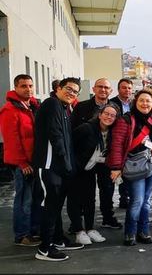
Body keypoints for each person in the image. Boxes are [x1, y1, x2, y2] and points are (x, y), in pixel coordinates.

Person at [108, 89, 152, 246]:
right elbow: (116, 144)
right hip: (134, 166)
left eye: (148, 101)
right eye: (142, 100)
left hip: (151, 166)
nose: (145, 103)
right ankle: (130, 232)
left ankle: (143, 231)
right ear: (136, 102)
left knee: (146, 201)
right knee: (137, 200)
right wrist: (116, 167)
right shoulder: (126, 120)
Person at [33, 77, 84, 261]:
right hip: (48, 166)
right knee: (49, 206)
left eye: (75, 91)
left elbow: (67, 138)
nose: (71, 93)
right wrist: (66, 162)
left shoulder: (64, 108)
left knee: (55, 207)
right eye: (68, 89)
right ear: (58, 88)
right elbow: (55, 136)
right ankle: (44, 249)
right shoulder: (51, 104)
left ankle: (58, 239)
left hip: (60, 168)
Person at [69, 103, 120, 245]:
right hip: (77, 168)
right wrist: (73, 165)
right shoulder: (86, 128)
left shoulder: (112, 132)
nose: (109, 117)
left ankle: (90, 229)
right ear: (99, 115)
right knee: (75, 199)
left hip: (91, 168)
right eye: (106, 114)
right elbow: (70, 145)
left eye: (112, 115)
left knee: (90, 199)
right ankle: (79, 231)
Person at [0, 74, 41, 246]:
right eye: (24, 86)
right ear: (16, 87)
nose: (28, 89)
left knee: (32, 198)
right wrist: (22, 163)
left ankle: (31, 231)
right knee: (23, 199)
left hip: (33, 161)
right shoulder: (10, 109)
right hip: (22, 164)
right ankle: (22, 235)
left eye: (30, 85)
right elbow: (12, 139)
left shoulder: (30, 106)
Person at [109, 78, 133, 208]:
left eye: (129, 88)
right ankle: (113, 204)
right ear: (118, 89)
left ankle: (126, 198)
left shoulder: (134, 103)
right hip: (116, 141)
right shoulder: (112, 103)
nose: (127, 90)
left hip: (130, 144)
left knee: (128, 172)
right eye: (124, 87)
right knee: (115, 173)